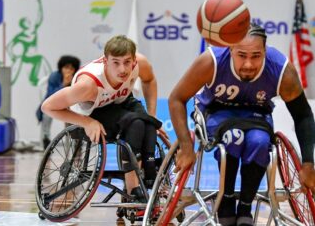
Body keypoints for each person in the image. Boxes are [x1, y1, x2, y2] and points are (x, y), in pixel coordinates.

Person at [169, 23, 315, 226]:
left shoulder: (281, 69)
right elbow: (176, 98)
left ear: (265, 51)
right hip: (217, 112)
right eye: (242, 55)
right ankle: (226, 202)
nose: (248, 64)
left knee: (259, 142)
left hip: (256, 115)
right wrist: (186, 147)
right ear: (230, 50)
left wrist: (308, 163)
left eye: (256, 55)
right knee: (234, 137)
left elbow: (303, 115)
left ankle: (246, 207)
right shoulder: (211, 61)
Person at [41, 35, 162, 202]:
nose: (123, 69)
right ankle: (134, 188)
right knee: (137, 124)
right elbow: (47, 106)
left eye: (127, 62)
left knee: (150, 124)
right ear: (105, 61)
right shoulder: (87, 85)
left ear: (134, 60)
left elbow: (149, 80)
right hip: (93, 109)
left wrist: (152, 114)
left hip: (120, 99)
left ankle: (150, 177)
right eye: (116, 62)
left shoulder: (140, 63)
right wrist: (87, 122)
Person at [36, 55, 81, 149]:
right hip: (55, 104)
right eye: (66, 67)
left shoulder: (78, 78)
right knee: (46, 115)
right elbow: (50, 95)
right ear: (61, 68)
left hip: (71, 105)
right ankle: (45, 140)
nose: (68, 71)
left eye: (71, 68)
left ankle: (76, 143)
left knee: (74, 117)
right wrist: (64, 84)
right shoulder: (54, 76)